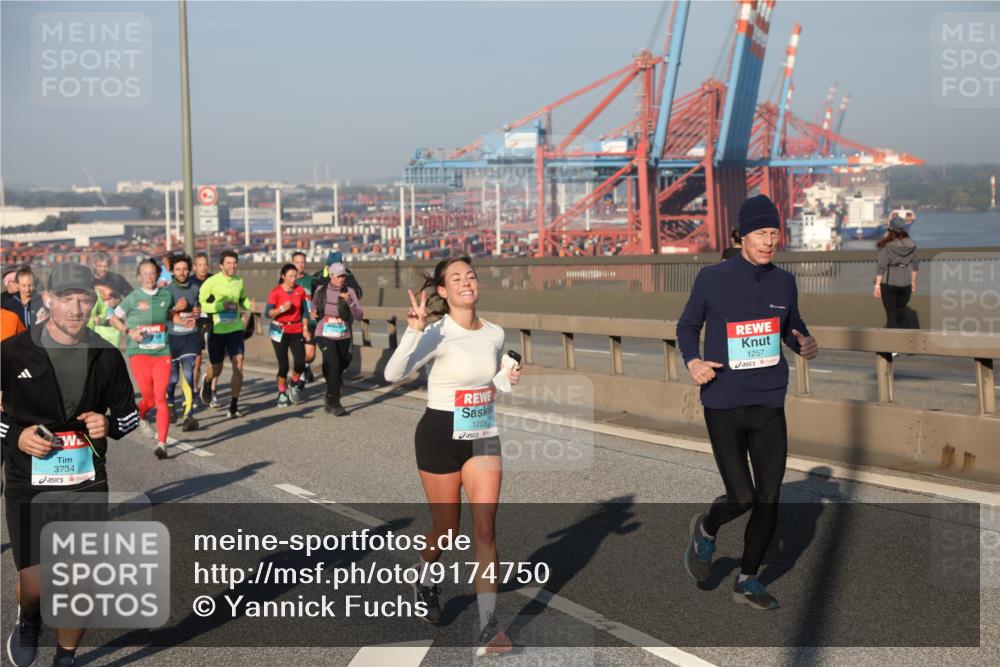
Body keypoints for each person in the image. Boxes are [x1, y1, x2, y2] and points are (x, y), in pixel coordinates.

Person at [677, 194, 819, 610]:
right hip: (724, 402)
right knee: (742, 497)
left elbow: (792, 326)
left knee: (770, 499)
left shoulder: (784, 282)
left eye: (774, 233)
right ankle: (706, 528)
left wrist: (805, 343)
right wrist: (693, 361)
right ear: (741, 236)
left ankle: (748, 579)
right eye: (761, 233)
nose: (769, 240)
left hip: (769, 402)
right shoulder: (712, 278)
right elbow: (687, 326)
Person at [1, 263, 139, 667]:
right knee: (36, 584)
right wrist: (14, 434)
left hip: (85, 481)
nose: (76, 309)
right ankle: (28, 618)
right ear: (48, 301)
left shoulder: (107, 356)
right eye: (66, 299)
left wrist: (109, 424)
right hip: (29, 480)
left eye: (84, 299)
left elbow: (130, 418)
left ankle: (66, 657)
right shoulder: (13, 351)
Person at [383, 256, 520, 657]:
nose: (466, 282)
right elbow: (393, 374)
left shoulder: (494, 333)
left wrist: (504, 378)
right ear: (442, 290)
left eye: (471, 276)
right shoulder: (437, 332)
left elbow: (487, 384)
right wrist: (412, 332)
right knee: (447, 528)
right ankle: (425, 576)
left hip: (481, 434)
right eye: (455, 278)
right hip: (439, 435)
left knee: (485, 530)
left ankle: (488, 628)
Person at [109, 258, 177, 459]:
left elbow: (171, 316)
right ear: (139, 277)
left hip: (162, 352)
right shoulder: (133, 298)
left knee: (160, 396)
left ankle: (162, 444)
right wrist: (129, 331)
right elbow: (114, 318)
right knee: (148, 396)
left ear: (158, 275)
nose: (148, 277)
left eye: (152, 273)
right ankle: (140, 415)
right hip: (139, 353)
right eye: (144, 274)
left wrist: (189, 319)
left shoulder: (166, 295)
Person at [198, 250, 256, 419]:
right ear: (221, 265)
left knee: (238, 365)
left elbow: (242, 299)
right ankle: (207, 381)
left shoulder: (239, 281)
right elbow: (201, 304)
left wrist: (248, 304)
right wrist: (219, 307)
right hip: (217, 331)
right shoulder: (212, 282)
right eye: (229, 263)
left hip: (235, 330)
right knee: (217, 369)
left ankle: (233, 404)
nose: (232, 266)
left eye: (234, 263)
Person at [312, 262, 363, 415]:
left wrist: (349, 301)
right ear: (331, 275)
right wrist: (313, 313)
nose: (342, 279)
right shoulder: (321, 290)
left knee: (341, 364)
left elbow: (360, 315)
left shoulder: (350, 291)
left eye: (343, 276)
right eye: (339, 276)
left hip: (343, 334)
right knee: (334, 365)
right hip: (324, 332)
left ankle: (329, 395)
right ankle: (335, 403)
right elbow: (313, 306)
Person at [164, 254, 201, 431]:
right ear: (172, 271)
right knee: (172, 378)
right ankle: (170, 403)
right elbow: (161, 315)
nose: (182, 272)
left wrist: (196, 314)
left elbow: (198, 309)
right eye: (178, 269)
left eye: (185, 269)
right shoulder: (167, 291)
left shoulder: (195, 288)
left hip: (190, 337)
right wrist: (175, 309)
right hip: (171, 338)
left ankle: (189, 415)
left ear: (189, 270)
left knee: (188, 373)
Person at [265, 264, 310, 406]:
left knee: (301, 363)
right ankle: (282, 393)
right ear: (283, 276)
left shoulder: (300, 290)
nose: (293, 279)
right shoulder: (275, 292)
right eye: (290, 276)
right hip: (280, 330)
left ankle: (294, 382)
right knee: (283, 366)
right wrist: (281, 309)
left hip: (296, 328)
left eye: (295, 276)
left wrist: (305, 328)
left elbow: (305, 311)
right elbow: (268, 313)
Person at [874, 217, 918, 330]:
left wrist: (877, 285)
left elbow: (881, 267)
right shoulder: (911, 245)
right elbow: (915, 265)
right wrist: (913, 282)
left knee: (891, 316)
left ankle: (892, 344)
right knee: (901, 313)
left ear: (891, 230)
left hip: (889, 283)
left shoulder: (886, 246)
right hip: (906, 283)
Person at [189, 252, 214, 399]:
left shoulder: (214, 279)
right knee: (197, 361)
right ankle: (194, 390)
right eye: (200, 265)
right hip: (195, 323)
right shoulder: (190, 281)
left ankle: (210, 387)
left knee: (214, 360)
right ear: (194, 267)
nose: (203, 268)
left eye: (205, 265)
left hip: (211, 322)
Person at [291, 251, 318, 384]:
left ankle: (305, 366)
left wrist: (316, 309)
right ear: (292, 263)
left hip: (310, 322)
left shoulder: (311, 280)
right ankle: (298, 377)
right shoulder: (288, 280)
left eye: (302, 262)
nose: (300, 265)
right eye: (297, 262)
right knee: (298, 352)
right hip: (294, 323)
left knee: (310, 355)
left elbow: (318, 298)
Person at [86, 282, 123, 348]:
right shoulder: (103, 303)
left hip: (114, 333)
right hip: (100, 330)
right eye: (109, 298)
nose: (112, 300)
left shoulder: (120, 308)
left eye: (116, 299)